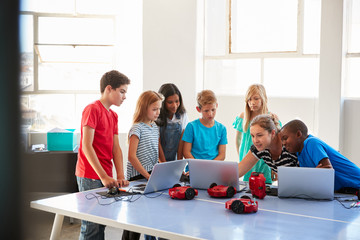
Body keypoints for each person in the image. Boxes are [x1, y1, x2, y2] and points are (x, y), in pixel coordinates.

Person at [75, 70, 130, 240]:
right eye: (122, 91)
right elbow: (86, 146)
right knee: (91, 226)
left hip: (105, 175)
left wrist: (119, 174)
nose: (124, 96)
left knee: (101, 222)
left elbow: (116, 149)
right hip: (90, 175)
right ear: (109, 89)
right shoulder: (92, 109)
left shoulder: (113, 115)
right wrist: (103, 176)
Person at [123, 90, 166, 240]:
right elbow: (131, 156)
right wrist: (147, 175)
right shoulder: (137, 128)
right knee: (134, 219)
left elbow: (156, 151)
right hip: (138, 177)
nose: (157, 112)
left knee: (147, 215)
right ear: (143, 108)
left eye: (159, 109)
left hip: (150, 174)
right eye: (154, 109)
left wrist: (163, 169)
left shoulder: (155, 127)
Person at [280, 119, 360, 192]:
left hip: (356, 186)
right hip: (345, 190)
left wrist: (314, 174)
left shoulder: (311, 143)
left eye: (285, 138)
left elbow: (327, 171)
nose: (283, 143)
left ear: (298, 134)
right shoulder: (299, 154)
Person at [233, 84, 277, 184]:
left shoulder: (271, 117)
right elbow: (238, 140)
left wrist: (274, 166)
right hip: (248, 155)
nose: (252, 103)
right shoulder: (243, 116)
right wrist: (241, 157)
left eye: (256, 99)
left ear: (263, 98)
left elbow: (276, 144)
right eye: (249, 100)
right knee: (248, 184)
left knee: (264, 183)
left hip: (265, 158)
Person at [238, 114, 298, 179]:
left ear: (272, 133)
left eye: (260, 135)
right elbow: (238, 171)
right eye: (252, 136)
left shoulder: (288, 144)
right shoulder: (259, 147)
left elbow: (307, 173)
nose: (255, 140)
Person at [182, 90, 227, 166]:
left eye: (213, 110)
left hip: (213, 168)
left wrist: (208, 167)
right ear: (198, 109)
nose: (210, 114)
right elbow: (186, 152)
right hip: (194, 168)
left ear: (217, 106)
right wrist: (198, 167)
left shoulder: (222, 129)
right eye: (206, 111)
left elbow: (222, 155)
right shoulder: (191, 126)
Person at [156, 83, 188, 161]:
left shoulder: (182, 115)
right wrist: (164, 164)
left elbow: (182, 142)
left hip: (175, 159)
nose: (174, 105)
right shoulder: (156, 116)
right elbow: (157, 144)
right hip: (159, 160)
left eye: (177, 101)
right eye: (170, 102)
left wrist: (179, 164)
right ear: (162, 103)